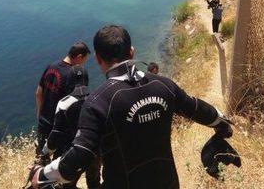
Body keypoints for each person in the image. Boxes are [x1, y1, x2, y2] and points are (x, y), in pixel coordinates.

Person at [29, 25, 235, 188]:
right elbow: (196, 108)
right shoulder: (163, 84)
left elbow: (77, 157)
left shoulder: (97, 102)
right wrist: (222, 123)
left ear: (99, 60)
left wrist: (41, 174)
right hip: (169, 184)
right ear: (132, 51)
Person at [43, 66, 101, 189]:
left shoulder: (64, 103)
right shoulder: (97, 98)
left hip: (72, 152)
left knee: (67, 186)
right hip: (94, 151)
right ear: (87, 79)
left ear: (69, 81)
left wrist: (45, 151)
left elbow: (56, 134)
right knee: (94, 183)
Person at [35, 42, 90, 160]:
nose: (83, 64)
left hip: (43, 124)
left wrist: (40, 116)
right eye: (84, 60)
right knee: (58, 164)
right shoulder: (73, 75)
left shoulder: (51, 66)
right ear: (79, 57)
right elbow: (74, 105)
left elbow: (38, 93)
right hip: (59, 128)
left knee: (42, 159)